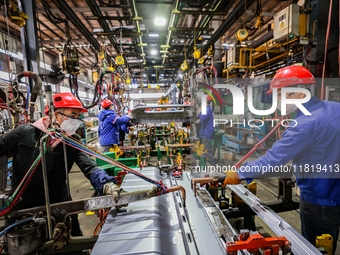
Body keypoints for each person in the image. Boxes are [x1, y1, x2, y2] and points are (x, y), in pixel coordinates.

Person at [220, 66, 340, 254]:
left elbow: (273, 160)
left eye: (279, 95)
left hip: (320, 201)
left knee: (315, 248)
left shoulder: (303, 126)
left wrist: (240, 173)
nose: (277, 101)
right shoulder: (335, 108)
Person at [0, 92, 122, 244]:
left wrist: (106, 184)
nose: (76, 121)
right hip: (24, 207)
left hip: (60, 206)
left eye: (78, 117)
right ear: (56, 115)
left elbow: (89, 166)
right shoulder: (24, 133)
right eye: (72, 115)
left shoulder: (72, 141)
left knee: (73, 245)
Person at [197, 95, 215, 166]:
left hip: (207, 134)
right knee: (204, 151)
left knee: (208, 152)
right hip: (205, 133)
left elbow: (202, 118)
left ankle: (213, 168)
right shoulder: (206, 109)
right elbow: (200, 116)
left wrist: (199, 112)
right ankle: (204, 165)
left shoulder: (207, 109)